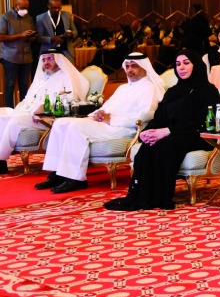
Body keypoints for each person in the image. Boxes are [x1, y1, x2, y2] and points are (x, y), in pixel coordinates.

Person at [104, 49, 220, 211]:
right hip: (175, 134)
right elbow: (160, 117)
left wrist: (167, 131)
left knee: (167, 144)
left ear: (197, 65)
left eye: (186, 63)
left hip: (198, 135)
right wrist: (148, 131)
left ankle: (160, 195)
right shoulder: (173, 91)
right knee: (150, 145)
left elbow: (204, 122)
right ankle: (146, 194)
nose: (181, 68)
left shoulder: (208, 91)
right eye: (178, 64)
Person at [38, 52, 164, 194]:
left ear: (144, 68)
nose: (129, 70)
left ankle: (76, 179)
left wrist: (112, 120)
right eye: (127, 66)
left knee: (75, 126)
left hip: (123, 128)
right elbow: (106, 107)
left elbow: (145, 116)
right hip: (106, 125)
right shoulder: (123, 88)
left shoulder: (149, 88)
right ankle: (57, 173)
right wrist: (96, 114)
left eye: (134, 66)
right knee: (61, 123)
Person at [0, 49, 89, 176]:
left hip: (43, 118)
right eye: (44, 60)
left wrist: (45, 107)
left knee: (15, 122)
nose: (46, 63)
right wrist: (20, 109)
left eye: (50, 59)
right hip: (25, 112)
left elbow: (71, 99)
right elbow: (27, 99)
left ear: (59, 60)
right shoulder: (41, 78)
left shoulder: (66, 77)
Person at [0, 0, 37, 107]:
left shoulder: (28, 18)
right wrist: (20, 35)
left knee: (24, 84)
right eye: (23, 7)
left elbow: (32, 33)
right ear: (16, 6)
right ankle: (9, 109)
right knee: (10, 84)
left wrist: (31, 36)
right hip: (11, 57)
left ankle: (24, 108)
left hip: (26, 56)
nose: (26, 10)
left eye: (27, 8)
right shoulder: (5, 17)